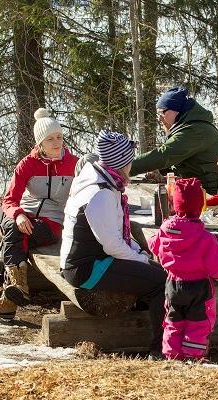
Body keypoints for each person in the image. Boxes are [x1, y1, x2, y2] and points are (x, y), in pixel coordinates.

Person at [60, 130, 167, 357]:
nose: (132, 164)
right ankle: (160, 349)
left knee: (153, 273)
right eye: (130, 159)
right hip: (86, 268)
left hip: (92, 260)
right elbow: (113, 246)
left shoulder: (104, 181)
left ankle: (151, 330)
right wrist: (143, 260)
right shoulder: (100, 193)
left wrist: (143, 256)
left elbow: (118, 236)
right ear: (122, 162)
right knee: (161, 281)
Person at [0, 108, 79, 320]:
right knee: (14, 226)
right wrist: (18, 214)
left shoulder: (75, 165)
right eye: (50, 139)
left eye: (59, 137)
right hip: (24, 215)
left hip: (53, 222)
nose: (56, 142)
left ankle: (12, 296)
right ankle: (16, 288)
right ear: (40, 143)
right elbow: (9, 199)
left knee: (13, 234)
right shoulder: (27, 164)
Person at [148, 178, 218, 360]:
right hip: (199, 288)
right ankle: (193, 356)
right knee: (198, 324)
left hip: (173, 285)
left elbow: (154, 245)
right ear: (201, 207)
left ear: (175, 205)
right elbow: (216, 267)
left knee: (173, 322)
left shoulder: (166, 229)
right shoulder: (205, 237)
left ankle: (172, 356)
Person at [130, 86, 218, 194]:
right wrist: (159, 170)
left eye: (162, 112)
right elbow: (181, 162)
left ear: (176, 110)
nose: (159, 118)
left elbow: (164, 155)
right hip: (199, 192)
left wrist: (123, 167)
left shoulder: (194, 130)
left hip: (211, 196)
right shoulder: (190, 127)